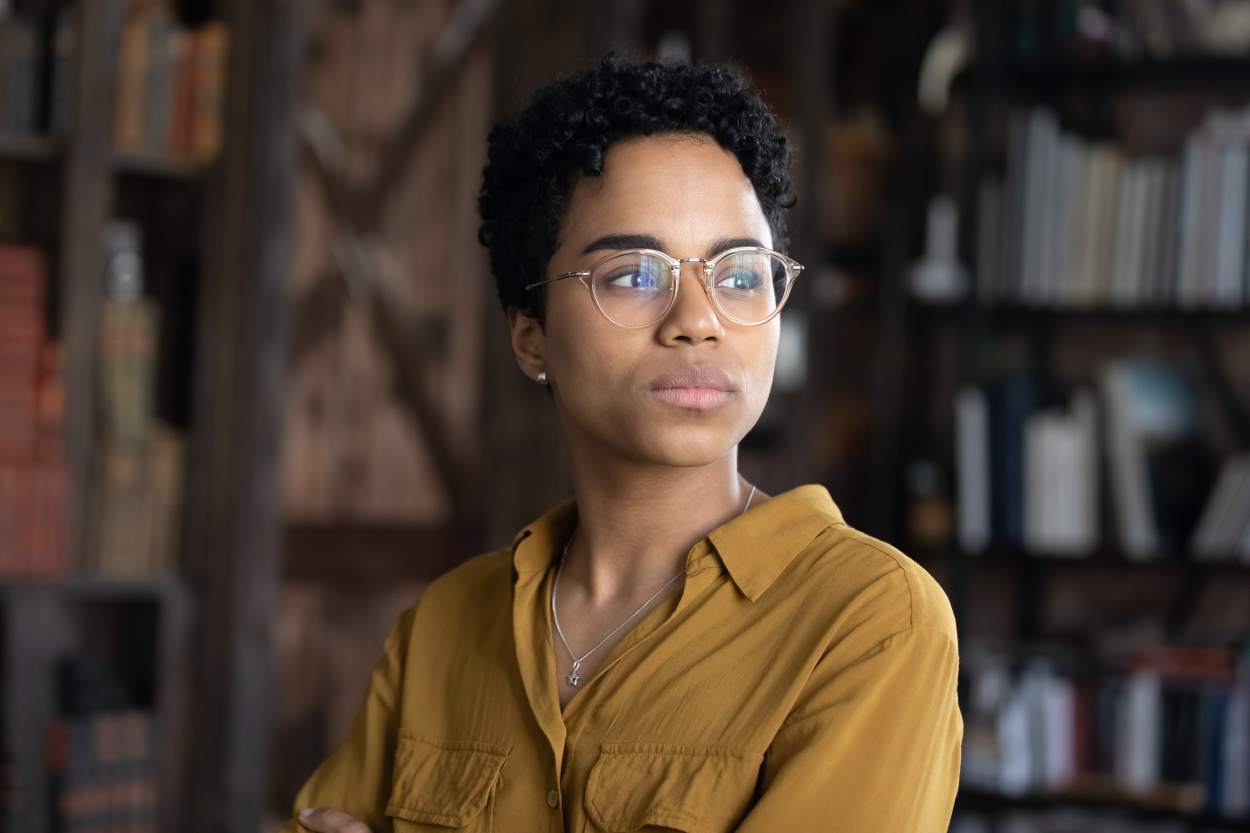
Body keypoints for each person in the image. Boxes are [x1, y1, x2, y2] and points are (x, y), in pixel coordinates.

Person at [286, 56, 961, 833]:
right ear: (531, 336)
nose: (697, 318)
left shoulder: (871, 622)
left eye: (740, 273)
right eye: (635, 273)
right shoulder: (444, 626)